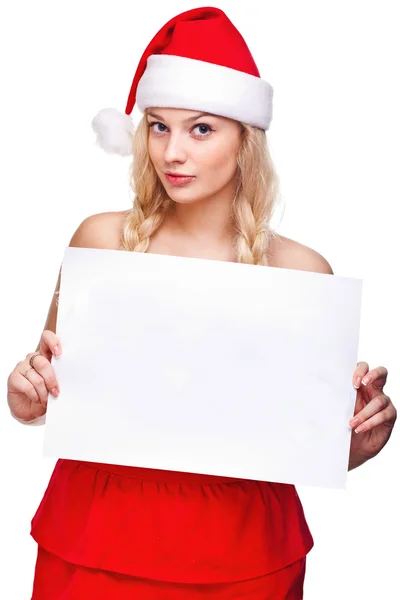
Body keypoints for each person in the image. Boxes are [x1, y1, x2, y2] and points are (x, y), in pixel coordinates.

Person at [7, 7, 397, 600]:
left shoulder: (302, 271)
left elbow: (300, 443)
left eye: (201, 129)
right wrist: (23, 395)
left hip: (244, 552)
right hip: (94, 537)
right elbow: (48, 399)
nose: (172, 153)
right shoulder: (100, 239)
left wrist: (358, 443)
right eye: (159, 127)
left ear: (246, 138)